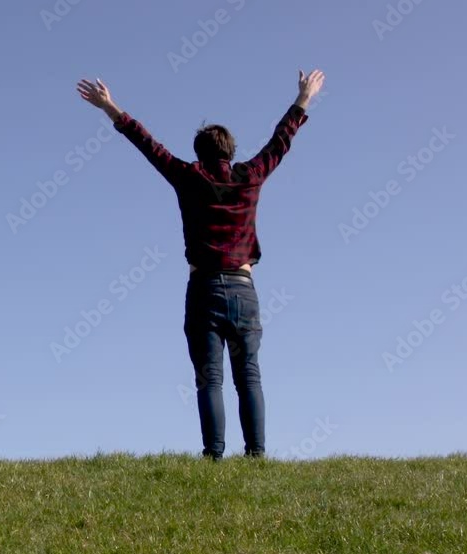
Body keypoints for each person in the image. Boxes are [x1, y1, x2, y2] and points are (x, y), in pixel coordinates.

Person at [77, 70, 325, 460]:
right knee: (249, 376)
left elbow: (148, 145)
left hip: (204, 288)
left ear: (199, 153)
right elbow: (281, 141)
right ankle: (256, 454)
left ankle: (213, 455)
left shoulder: (188, 177)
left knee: (209, 378)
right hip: (244, 289)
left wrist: (110, 106)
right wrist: (303, 99)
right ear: (231, 152)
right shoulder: (250, 176)